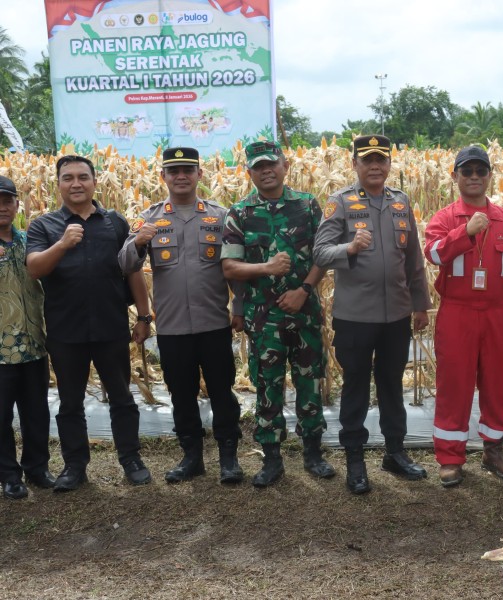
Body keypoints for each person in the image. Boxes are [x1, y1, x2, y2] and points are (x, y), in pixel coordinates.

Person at [26, 155, 153, 491]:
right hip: (66, 331)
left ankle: (131, 459)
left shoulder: (115, 222)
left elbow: (133, 270)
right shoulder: (44, 226)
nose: (76, 183)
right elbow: (35, 268)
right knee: (70, 403)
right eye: (68, 178)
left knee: (122, 398)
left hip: (110, 327)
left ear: (95, 181)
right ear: (58, 184)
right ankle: (75, 465)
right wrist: (63, 244)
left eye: (83, 177)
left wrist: (143, 316)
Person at [118, 147, 244, 485]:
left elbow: (234, 267)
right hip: (172, 328)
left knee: (222, 392)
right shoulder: (149, 217)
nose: (181, 176)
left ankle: (229, 456)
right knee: (182, 394)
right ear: (164, 177)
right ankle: (192, 457)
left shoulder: (220, 216)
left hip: (214, 323)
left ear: (199, 174)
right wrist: (137, 243)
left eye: (188, 169)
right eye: (174, 171)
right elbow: (125, 265)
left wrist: (240, 308)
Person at [313, 135, 431, 494]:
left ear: (389, 164)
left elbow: (413, 259)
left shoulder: (400, 203)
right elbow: (320, 253)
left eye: (381, 159)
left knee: (392, 385)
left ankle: (395, 452)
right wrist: (349, 247)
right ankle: (355, 458)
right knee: (356, 387)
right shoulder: (340, 203)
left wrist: (420, 303)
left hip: (396, 315)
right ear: (355, 165)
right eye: (368, 160)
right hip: (355, 317)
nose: (375, 166)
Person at [221, 140, 334, 488]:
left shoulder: (307, 205)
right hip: (263, 318)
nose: (266, 170)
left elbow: (324, 254)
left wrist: (304, 290)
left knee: (309, 382)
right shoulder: (239, 213)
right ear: (250, 172)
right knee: (267, 386)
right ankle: (271, 458)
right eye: (258, 166)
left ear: (285, 166)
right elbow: (229, 267)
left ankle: (313, 452)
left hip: (305, 314)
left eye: (272, 164)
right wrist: (266, 267)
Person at [423, 146, 503, 487]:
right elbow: (434, 255)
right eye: (466, 172)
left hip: (498, 313)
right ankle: (450, 457)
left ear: (489, 176)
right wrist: (466, 231)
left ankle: (493, 449)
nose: (473, 177)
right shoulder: (443, 219)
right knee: (454, 384)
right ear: (454, 176)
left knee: (497, 383)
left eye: (479, 171)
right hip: (458, 312)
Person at [0, 175, 53, 499]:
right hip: (1, 352)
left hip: (33, 344)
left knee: (37, 412)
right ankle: (9, 474)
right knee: (1, 417)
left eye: (6, 201)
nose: (1, 207)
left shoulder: (30, 244)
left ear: (17, 205)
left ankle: (37, 467)